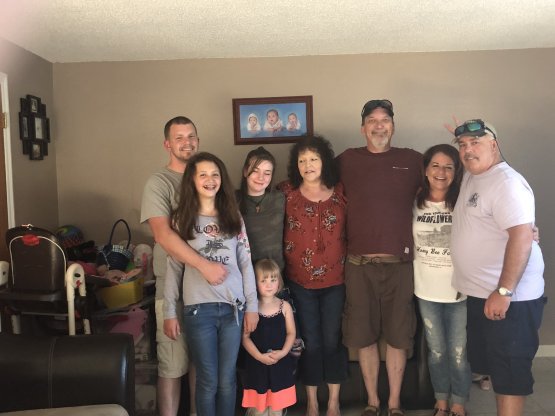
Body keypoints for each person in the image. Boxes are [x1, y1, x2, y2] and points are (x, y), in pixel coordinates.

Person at [449, 119, 545, 416]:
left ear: (495, 144)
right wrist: (467, 134)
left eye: (476, 142)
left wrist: (504, 291)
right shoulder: (474, 174)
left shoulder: (507, 183)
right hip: (483, 294)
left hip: (510, 299)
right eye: (462, 145)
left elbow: (522, 237)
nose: (468, 150)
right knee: (495, 368)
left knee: (510, 374)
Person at [337, 99, 423, 416]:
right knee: (364, 336)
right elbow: (312, 179)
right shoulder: (346, 160)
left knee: (399, 338)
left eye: (384, 119)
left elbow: (445, 188)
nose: (378, 126)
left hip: (400, 266)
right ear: (363, 128)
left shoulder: (413, 160)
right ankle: (373, 402)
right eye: (372, 120)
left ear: (393, 126)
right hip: (358, 266)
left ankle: (395, 403)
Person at [163, 152, 259, 416]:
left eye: (215, 174)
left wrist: (252, 306)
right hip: (199, 311)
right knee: (207, 380)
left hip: (233, 310)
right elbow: (174, 267)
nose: (210, 179)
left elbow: (246, 263)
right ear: (192, 181)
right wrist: (169, 311)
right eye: (203, 174)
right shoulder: (181, 219)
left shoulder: (233, 217)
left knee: (227, 380)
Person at [142, 116, 221, 416]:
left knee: (201, 363)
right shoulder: (158, 183)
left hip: (205, 291)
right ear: (167, 144)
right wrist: (204, 265)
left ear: (198, 140)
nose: (186, 143)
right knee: (172, 365)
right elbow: (162, 235)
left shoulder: (207, 179)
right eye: (179, 138)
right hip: (171, 290)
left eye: (191, 136)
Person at [280, 135, 349, 416]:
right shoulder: (286, 192)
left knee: (332, 339)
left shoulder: (341, 191)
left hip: (336, 280)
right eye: (302, 160)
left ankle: (333, 401)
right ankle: (311, 401)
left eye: (313, 159)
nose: (308, 165)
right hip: (299, 281)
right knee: (310, 340)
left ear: (324, 162)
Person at [413, 144, 471, 416]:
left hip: (459, 291)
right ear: (426, 170)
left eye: (449, 166)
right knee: (436, 351)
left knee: (458, 352)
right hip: (426, 290)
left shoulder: (465, 202)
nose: (441, 172)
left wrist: (528, 231)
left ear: (456, 172)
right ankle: (441, 402)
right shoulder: (413, 201)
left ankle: (458, 404)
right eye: (435, 165)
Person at [242, 259, 297, 416]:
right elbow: (245, 338)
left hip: (280, 364)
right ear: (254, 283)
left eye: (273, 279)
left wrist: (283, 352)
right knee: (258, 410)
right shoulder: (250, 309)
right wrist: (259, 356)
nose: (269, 284)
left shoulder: (285, 306)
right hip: (256, 365)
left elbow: (291, 333)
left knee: (276, 408)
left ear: (279, 282)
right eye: (263, 280)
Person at [236, 146, 285, 270]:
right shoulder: (232, 200)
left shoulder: (280, 198)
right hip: (245, 272)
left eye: (267, 173)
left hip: (275, 274)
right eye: (255, 171)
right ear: (245, 171)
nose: (261, 177)